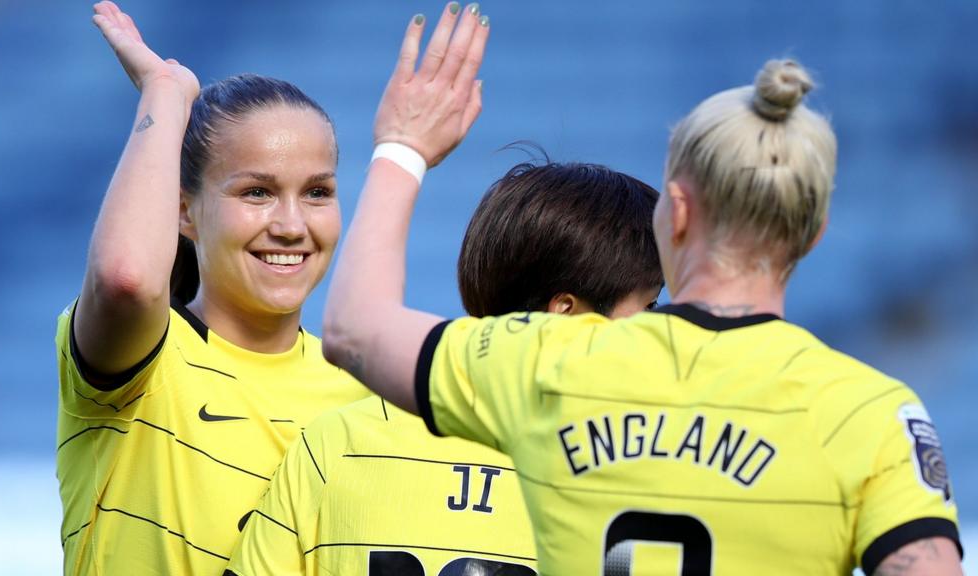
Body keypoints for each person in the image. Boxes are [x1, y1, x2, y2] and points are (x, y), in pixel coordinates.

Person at [321, 33, 964, 576]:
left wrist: (402, 145)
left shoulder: (551, 358)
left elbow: (352, 328)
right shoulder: (871, 412)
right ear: (813, 234)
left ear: (676, 214)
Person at [225, 141, 663, 574]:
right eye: (649, 308)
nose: (665, 331)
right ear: (565, 316)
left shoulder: (338, 441)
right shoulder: (642, 470)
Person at [55, 2, 370, 574]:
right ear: (184, 212)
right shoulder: (145, 359)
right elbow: (126, 278)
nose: (292, 225)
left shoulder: (362, 397)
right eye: (256, 192)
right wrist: (165, 93)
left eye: (318, 192)